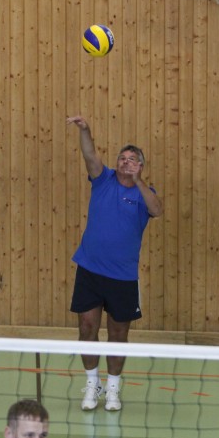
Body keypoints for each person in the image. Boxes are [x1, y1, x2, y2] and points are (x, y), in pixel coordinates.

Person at [66, 115, 163, 412]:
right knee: (87, 328)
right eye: (122, 158)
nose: (125, 162)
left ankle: (113, 388)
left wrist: (138, 181)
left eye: (132, 159)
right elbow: (89, 154)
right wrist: (85, 130)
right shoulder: (103, 179)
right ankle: (92, 384)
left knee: (118, 334)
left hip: (122, 278)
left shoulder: (145, 194)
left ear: (140, 166)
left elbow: (157, 210)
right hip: (90, 270)